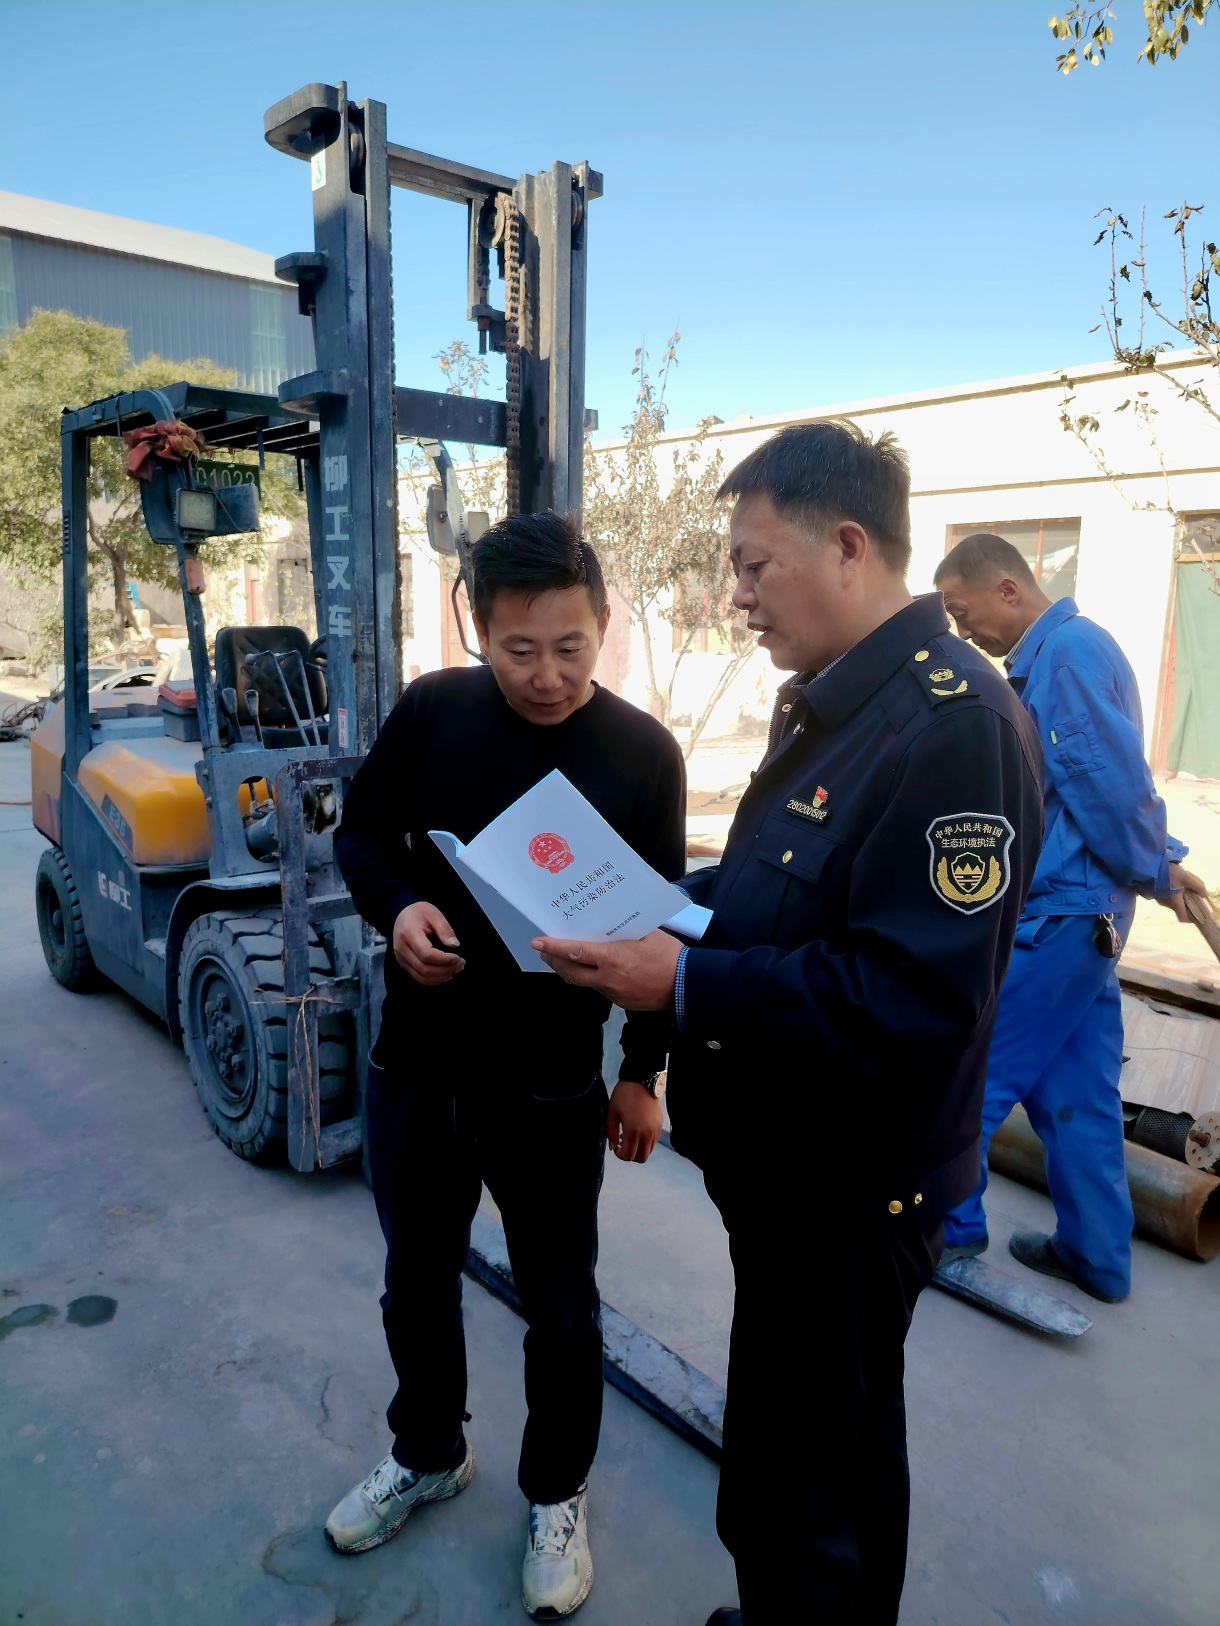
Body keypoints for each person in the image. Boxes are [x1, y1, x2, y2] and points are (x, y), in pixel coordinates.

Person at [532, 422, 1044, 1626]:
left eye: (753, 565)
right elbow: (778, 887)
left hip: (849, 1192)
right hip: (788, 1176)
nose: (739, 595)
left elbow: (913, 999)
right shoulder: (835, 707)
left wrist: (683, 986)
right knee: (806, 1453)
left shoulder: (951, 726)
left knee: (808, 1488)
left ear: (848, 547)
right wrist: (652, 906)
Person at [330, 513, 685, 1620]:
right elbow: (361, 834)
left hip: (551, 1081)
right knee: (415, 1281)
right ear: (477, 631)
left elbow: (661, 929)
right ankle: (428, 1450)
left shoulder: (642, 754)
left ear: (603, 625)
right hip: (420, 1066)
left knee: (561, 1305)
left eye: (571, 647)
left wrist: (642, 1072)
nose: (546, 676)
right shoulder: (434, 713)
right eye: (518, 650)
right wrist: (399, 909)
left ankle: (555, 1492)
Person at [934, 533, 1209, 1303]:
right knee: (1077, 1098)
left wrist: (1154, 866)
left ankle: (949, 1233)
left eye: (963, 612)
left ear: (1009, 590)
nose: (964, 632)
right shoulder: (1066, 655)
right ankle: (1096, 1255)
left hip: (1062, 917)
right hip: (1086, 918)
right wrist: (1160, 858)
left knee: (970, 1078)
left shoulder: (1065, 656)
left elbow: (1104, 783)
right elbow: (1103, 779)